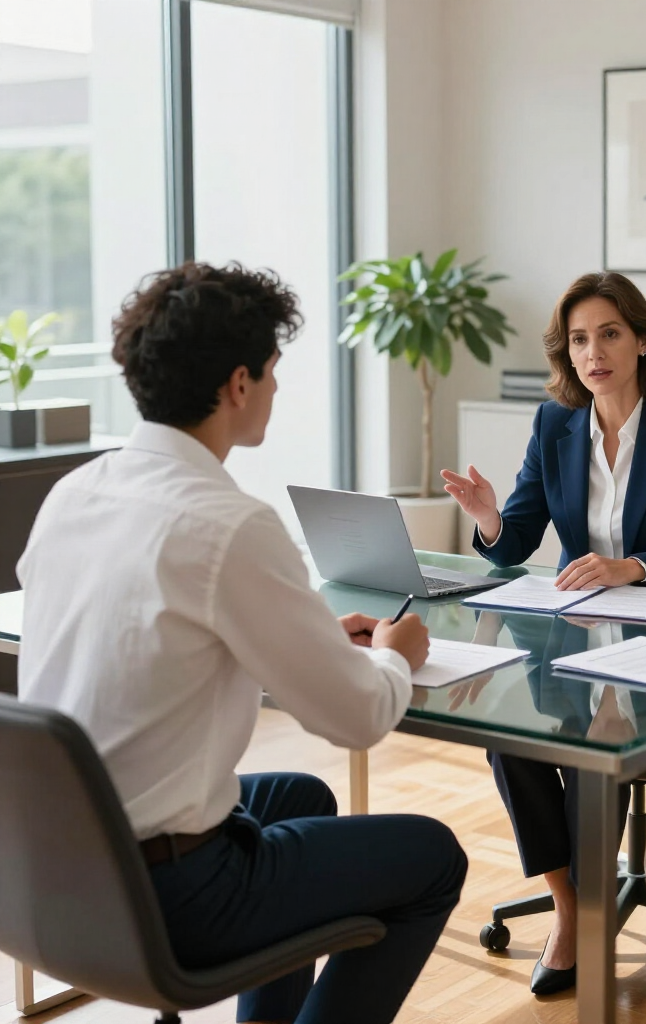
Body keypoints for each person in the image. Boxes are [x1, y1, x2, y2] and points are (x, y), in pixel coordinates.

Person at [16, 262, 468, 1024]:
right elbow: (357, 719)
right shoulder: (228, 523)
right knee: (434, 858)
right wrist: (396, 653)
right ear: (237, 385)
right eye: (272, 372)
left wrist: (304, 639)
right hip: (168, 896)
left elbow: (151, 641)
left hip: (47, 866)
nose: (277, 389)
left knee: (301, 797)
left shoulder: (76, 492)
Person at [441, 271, 646, 994]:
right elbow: (515, 541)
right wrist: (487, 518)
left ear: (641, 340)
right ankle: (575, 908)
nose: (593, 352)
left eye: (609, 333)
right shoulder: (556, 424)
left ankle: (579, 921)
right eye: (578, 339)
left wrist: (630, 566)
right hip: (575, 632)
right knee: (507, 732)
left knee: (591, 743)